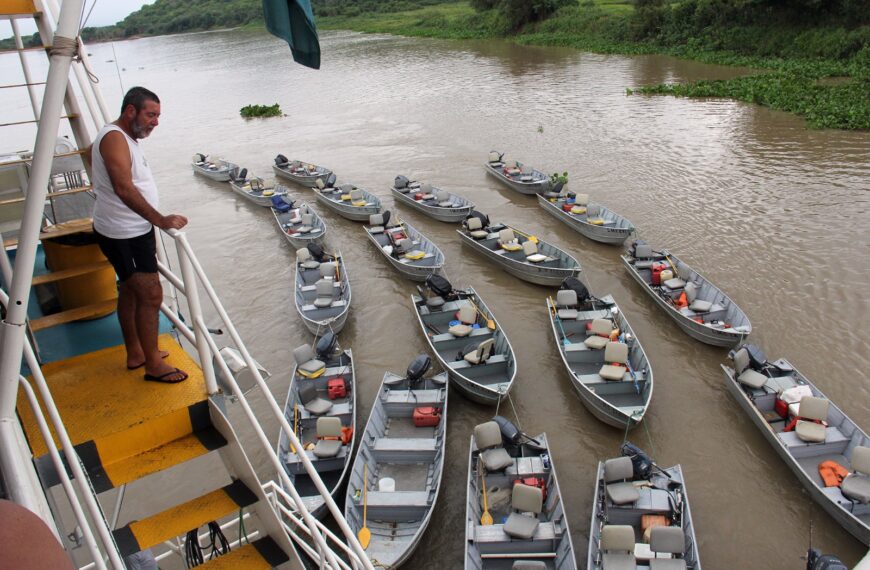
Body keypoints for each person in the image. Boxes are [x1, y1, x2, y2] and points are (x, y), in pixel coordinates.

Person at [90, 86, 189, 383]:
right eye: (150, 115)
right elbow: (123, 188)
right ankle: (153, 365)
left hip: (131, 229)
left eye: (158, 116)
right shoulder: (114, 138)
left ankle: (137, 353)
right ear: (130, 110)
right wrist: (160, 219)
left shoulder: (124, 137)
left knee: (130, 289)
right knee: (151, 294)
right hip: (125, 234)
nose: (155, 122)